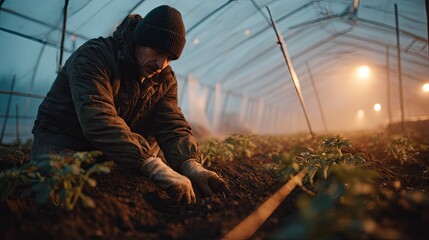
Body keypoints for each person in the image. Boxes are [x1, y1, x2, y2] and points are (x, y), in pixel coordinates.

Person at [30, 5, 229, 204]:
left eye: (169, 58)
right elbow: (98, 120)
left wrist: (191, 164)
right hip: (63, 141)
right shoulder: (94, 59)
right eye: (158, 52)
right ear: (140, 41)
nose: (162, 64)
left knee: (122, 187)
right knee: (57, 191)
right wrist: (152, 165)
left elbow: (171, 124)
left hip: (108, 152)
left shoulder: (164, 79)